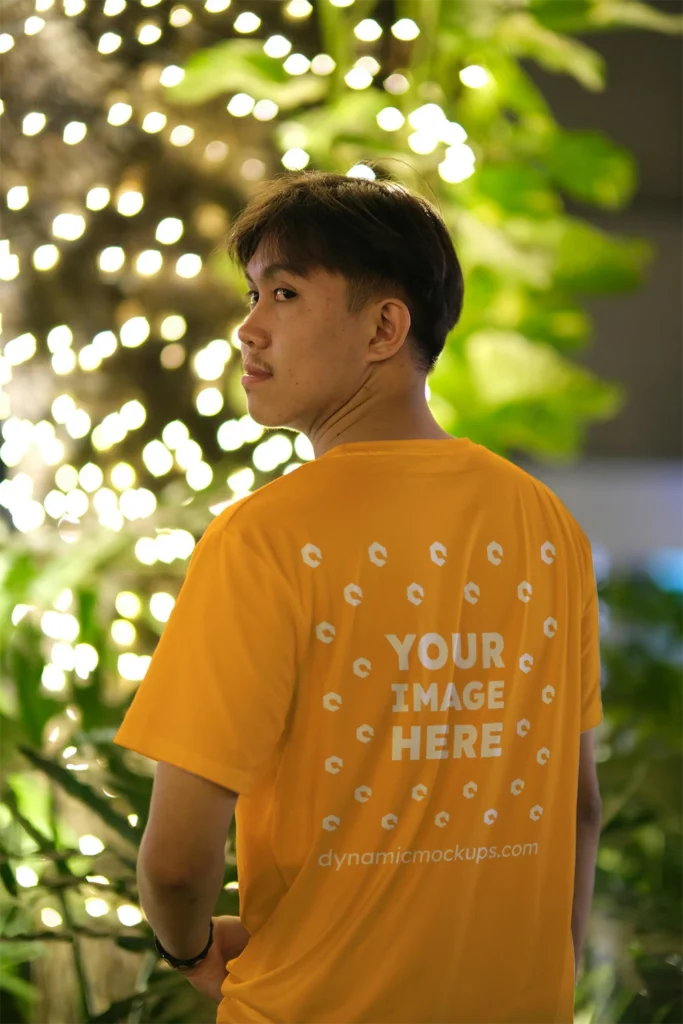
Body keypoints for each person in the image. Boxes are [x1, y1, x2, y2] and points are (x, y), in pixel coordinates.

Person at [114, 170, 603, 1023]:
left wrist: (190, 949)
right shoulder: (546, 524)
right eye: (254, 293)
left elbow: (179, 862)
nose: (247, 328)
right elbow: (578, 808)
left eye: (285, 293)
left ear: (384, 325)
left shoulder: (261, 541)